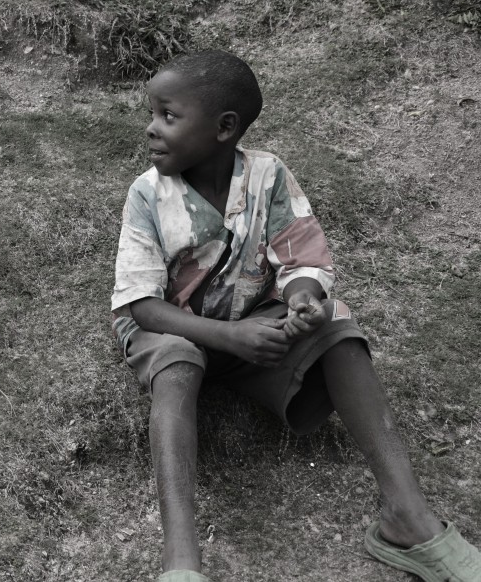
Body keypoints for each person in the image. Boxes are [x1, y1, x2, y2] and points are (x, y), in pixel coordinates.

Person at [111, 50, 481, 581]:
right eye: (152, 114)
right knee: (175, 366)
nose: (150, 129)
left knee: (338, 325)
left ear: (224, 127)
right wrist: (228, 335)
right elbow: (140, 305)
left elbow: (303, 259)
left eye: (167, 116)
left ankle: (408, 518)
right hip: (174, 328)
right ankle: (182, 563)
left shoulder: (268, 174)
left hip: (249, 327)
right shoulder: (147, 194)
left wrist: (304, 296)